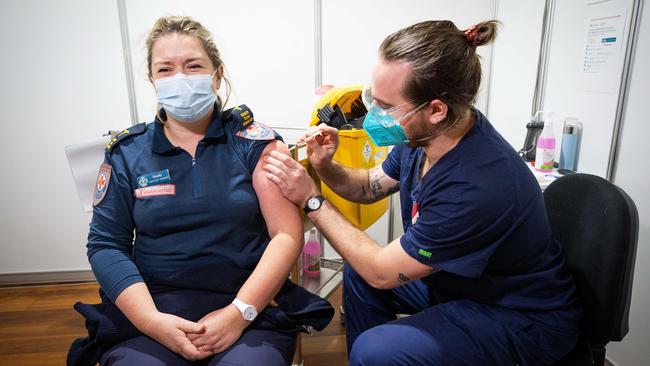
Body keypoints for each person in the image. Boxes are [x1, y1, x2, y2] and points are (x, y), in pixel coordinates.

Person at [263, 20, 581, 366]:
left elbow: (382, 272)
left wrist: (311, 199)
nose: (373, 115)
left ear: (435, 110)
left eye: (385, 106)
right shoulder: (426, 137)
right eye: (374, 99)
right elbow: (369, 187)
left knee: (377, 346)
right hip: (462, 284)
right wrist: (325, 166)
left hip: (520, 316)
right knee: (357, 272)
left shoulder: (477, 184)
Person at [68, 16, 333, 366]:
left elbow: (285, 234)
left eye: (193, 66)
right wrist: (152, 322)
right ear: (152, 79)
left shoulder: (255, 144)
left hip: (249, 302)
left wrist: (239, 313)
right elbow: (105, 245)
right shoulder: (126, 154)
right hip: (155, 306)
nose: (180, 78)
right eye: (165, 70)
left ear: (217, 74)